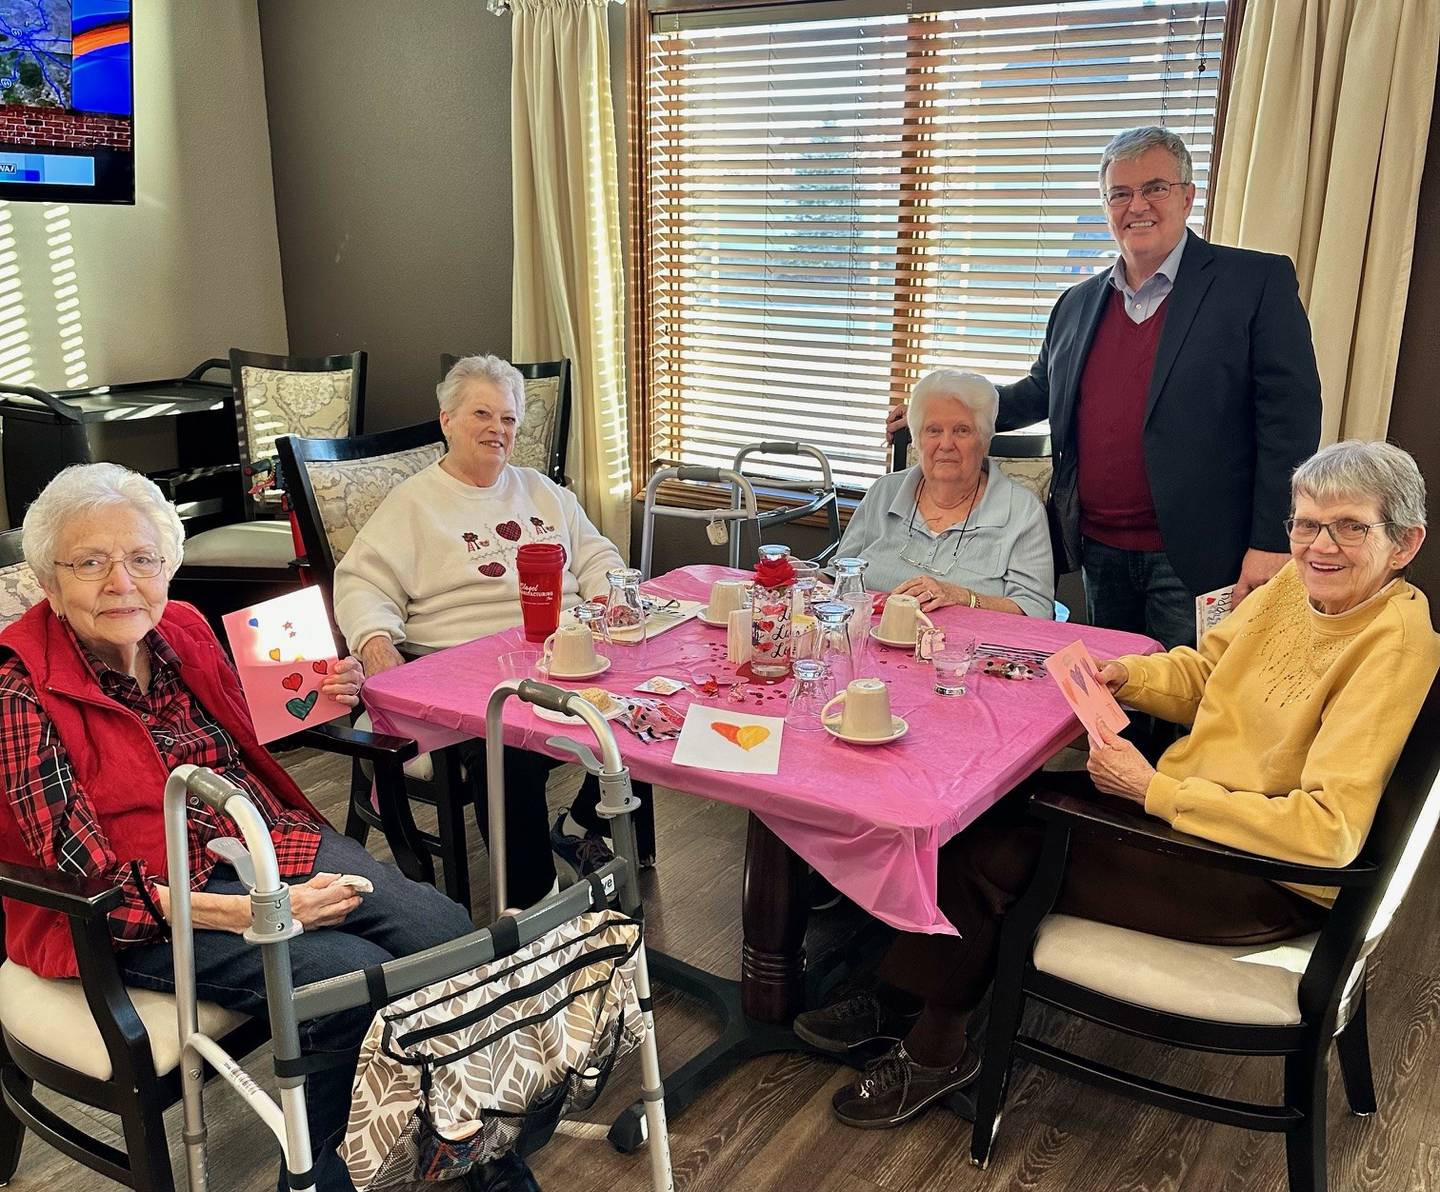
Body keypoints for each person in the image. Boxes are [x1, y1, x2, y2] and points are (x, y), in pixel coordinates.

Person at [796, 440, 1438, 1130]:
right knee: (980, 810)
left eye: (1349, 526)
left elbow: (1326, 832)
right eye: (1306, 523)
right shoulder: (1293, 587)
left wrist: (1152, 791)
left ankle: (936, 1048)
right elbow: (1205, 676)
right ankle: (908, 991)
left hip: (1260, 875)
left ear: (1404, 543)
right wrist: (1129, 677)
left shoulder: (1393, 646)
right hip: (1194, 820)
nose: (1320, 546)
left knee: (986, 856)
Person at [0, 464, 538, 1192]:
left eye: (142, 558)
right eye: (90, 563)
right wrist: (263, 913)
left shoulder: (181, 627)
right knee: (343, 979)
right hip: (141, 908)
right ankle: (320, 1180)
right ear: (50, 582)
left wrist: (321, 692)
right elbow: (94, 886)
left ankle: (458, 1143)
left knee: (443, 932)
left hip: (256, 837)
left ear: (168, 565)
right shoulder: (18, 691)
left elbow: (238, 730)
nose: (121, 582)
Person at [886, 126, 1321, 648]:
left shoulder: (1254, 283)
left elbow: (1291, 421)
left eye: (1154, 188)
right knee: (1110, 705)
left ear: (1187, 196)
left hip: (1204, 556)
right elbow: (1041, 391)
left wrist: (1272, 540)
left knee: (1190, 708)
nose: (1137, 205)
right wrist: (944, 409)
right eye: (1120, 193)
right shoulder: (1076, 303)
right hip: (1099, 550)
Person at [333, 354, 645, 905]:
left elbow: (598, 555)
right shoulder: (413, 503)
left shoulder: (543, 492)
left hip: (565, 653)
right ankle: (533, 901)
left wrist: (609, 596)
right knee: (509, 747)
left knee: (643, 704)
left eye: (508, 419)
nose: (497, 430)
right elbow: (362, 583)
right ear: (447, 420)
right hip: (466, 667)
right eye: (482, 413)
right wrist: (377, 644)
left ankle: (582, 828)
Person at [838, 369, 1054, 618]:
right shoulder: (884, 492)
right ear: (917, 440)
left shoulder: (1022, 511)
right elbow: (838, 577)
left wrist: (963, 597)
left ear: (984, 441)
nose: (946, 444)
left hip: (966, 653)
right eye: (933, 430)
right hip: (869, 642)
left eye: (962, 430)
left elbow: (1037, 611)